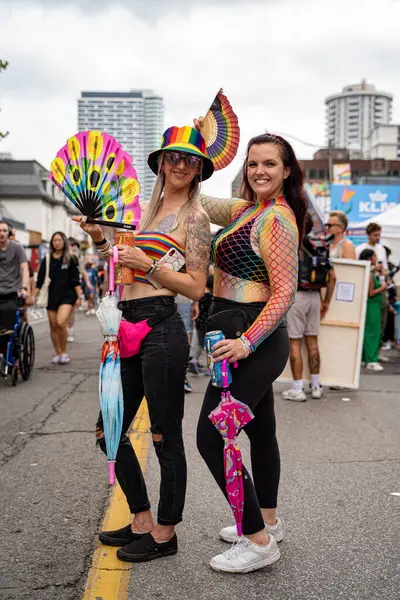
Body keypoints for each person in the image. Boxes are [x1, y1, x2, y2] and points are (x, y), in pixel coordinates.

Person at [74, 125, 212, 564]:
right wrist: (99, 235)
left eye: (189, 160)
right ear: (159, 163)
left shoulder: (196, 219)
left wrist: (149, 265)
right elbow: (117, 261)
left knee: (163, 436)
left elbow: (195, 287)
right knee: (107, 429)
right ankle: (141, 519)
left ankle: (166, 533)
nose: (179, 165)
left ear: (198, 170)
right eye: (172, 157)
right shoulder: (140, 212)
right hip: (125, 326)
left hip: (162, 329)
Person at [194, 128, 307, 573]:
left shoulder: (277, 219)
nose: (259, 170)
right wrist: (192, 153)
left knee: (210, 435)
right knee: (260, 433)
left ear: (285, 171)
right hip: (236, 333)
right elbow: (196, 200)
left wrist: (246, 342)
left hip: (254, 338)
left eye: (269, 164)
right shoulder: (248, 209)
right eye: (253, 163)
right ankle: (270, 521)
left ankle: (258, 541)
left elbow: (284, 294)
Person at [282, 214, 336, 401]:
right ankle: (315, 386)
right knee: (312, 342)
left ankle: (298, 389)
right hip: (315, 295)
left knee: (295, 342)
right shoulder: (320, 245)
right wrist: (326, 301)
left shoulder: (293, 244)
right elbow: (333, 277)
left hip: (297, 296)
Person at [35, 232, 83, 365]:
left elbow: (75, 280)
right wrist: (33, 295)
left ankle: (64, 352)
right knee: (53, 326)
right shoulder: (48, 258)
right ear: (51, 243)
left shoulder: (71, 258)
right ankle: (58, 353)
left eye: (59, 240)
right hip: (52, 296)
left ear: (64, 242)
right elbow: (40, 280)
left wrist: (79, 296)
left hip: (67, 296)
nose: (57, 242)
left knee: (61, 322)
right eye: (54, 240)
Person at [356, 223, 388, 347]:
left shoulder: (382, 249)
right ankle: (366, 353)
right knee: (368, 322)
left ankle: (376, 351)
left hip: (380, 286)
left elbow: (385, 269)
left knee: (381, 321)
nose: (377, 237)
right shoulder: (359, 249)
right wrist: (373, 268)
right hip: (367, 288)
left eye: (379, 235)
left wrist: (383, 271)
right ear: (368, 235)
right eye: (375, 235)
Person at [0, 220, 30, 338]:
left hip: (13, 292)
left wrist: (24, 288)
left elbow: (25, 269)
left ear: (9, 233)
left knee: (11, 320)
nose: (1, 233)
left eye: (4, 231)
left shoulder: (17, 248)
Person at [359, 249, 386, 371]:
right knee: (372, 333)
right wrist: (383, 288)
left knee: (368, 331)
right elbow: (371, 293)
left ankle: (365, 358)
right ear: (370, 258)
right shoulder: (369, 275)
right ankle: (371, 359)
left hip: (372, 305)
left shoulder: (370, 272)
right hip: (372, 306)